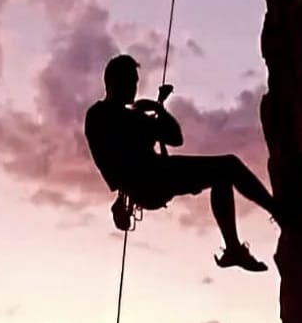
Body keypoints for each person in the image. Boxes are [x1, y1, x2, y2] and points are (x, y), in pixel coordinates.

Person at [84, 53, 278, 272]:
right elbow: (120, 147)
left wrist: (158, 110)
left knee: (222, 175)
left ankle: (233, 247)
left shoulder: (127, 117)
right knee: (229, 165)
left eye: (135, 82)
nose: (134, 87)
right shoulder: (101, 115)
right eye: (130, 81)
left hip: (151, 178)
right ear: (113, 82)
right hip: (150, 178)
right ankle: (278, 212)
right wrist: (148, 119)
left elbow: (175, 138)